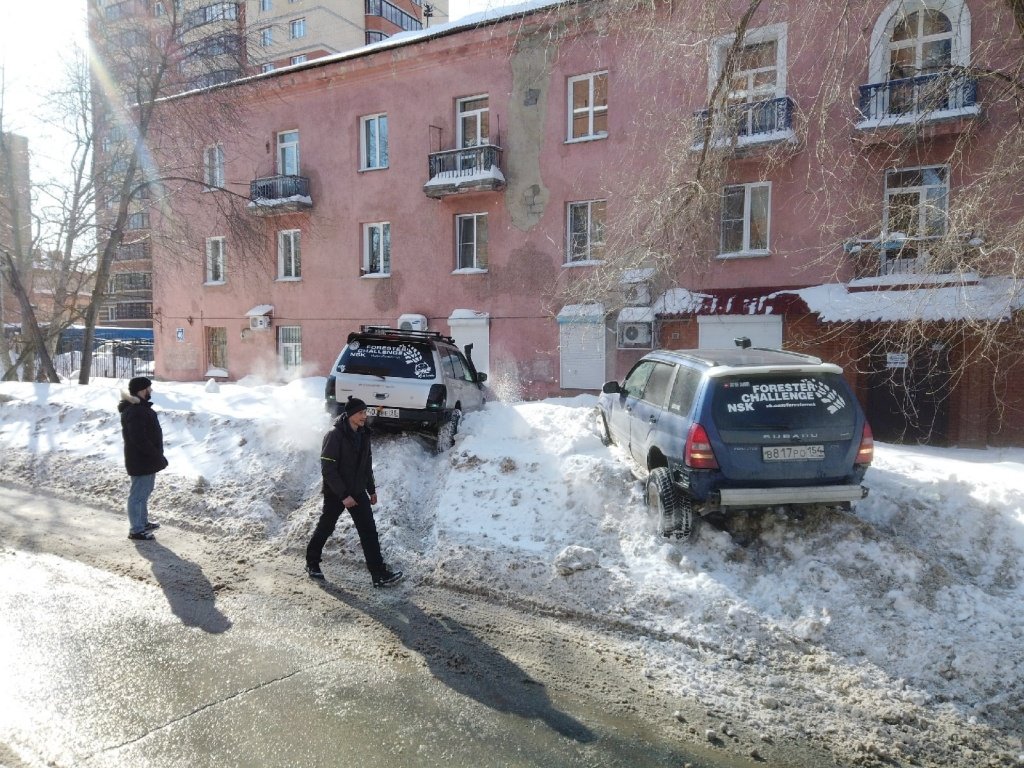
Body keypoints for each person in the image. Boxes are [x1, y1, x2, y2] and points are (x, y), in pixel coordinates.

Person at [306, 396, 404, 587]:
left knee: (369, 532)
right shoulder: (334, 435)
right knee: (326, 527)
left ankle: (379, 575)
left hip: (358, 490)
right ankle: (312, 562)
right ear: (350, 414)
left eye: (365, 412)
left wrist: (371, 489)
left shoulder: (364, 434)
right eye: (360, 413)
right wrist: (343, 495)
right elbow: (328, 469)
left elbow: (367, 464)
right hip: (336, 493)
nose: (364, 416)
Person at [118, 376, 168, 541]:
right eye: (149, 388)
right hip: (141, 459)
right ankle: (136, 530)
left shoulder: (139, 408)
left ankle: (143, 522)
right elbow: (138, 438)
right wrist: (155, 455)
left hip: (146, 459)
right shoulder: (135, 411)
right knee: (138, 495)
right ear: (141, 390)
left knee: (144, 492)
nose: (151, 390)